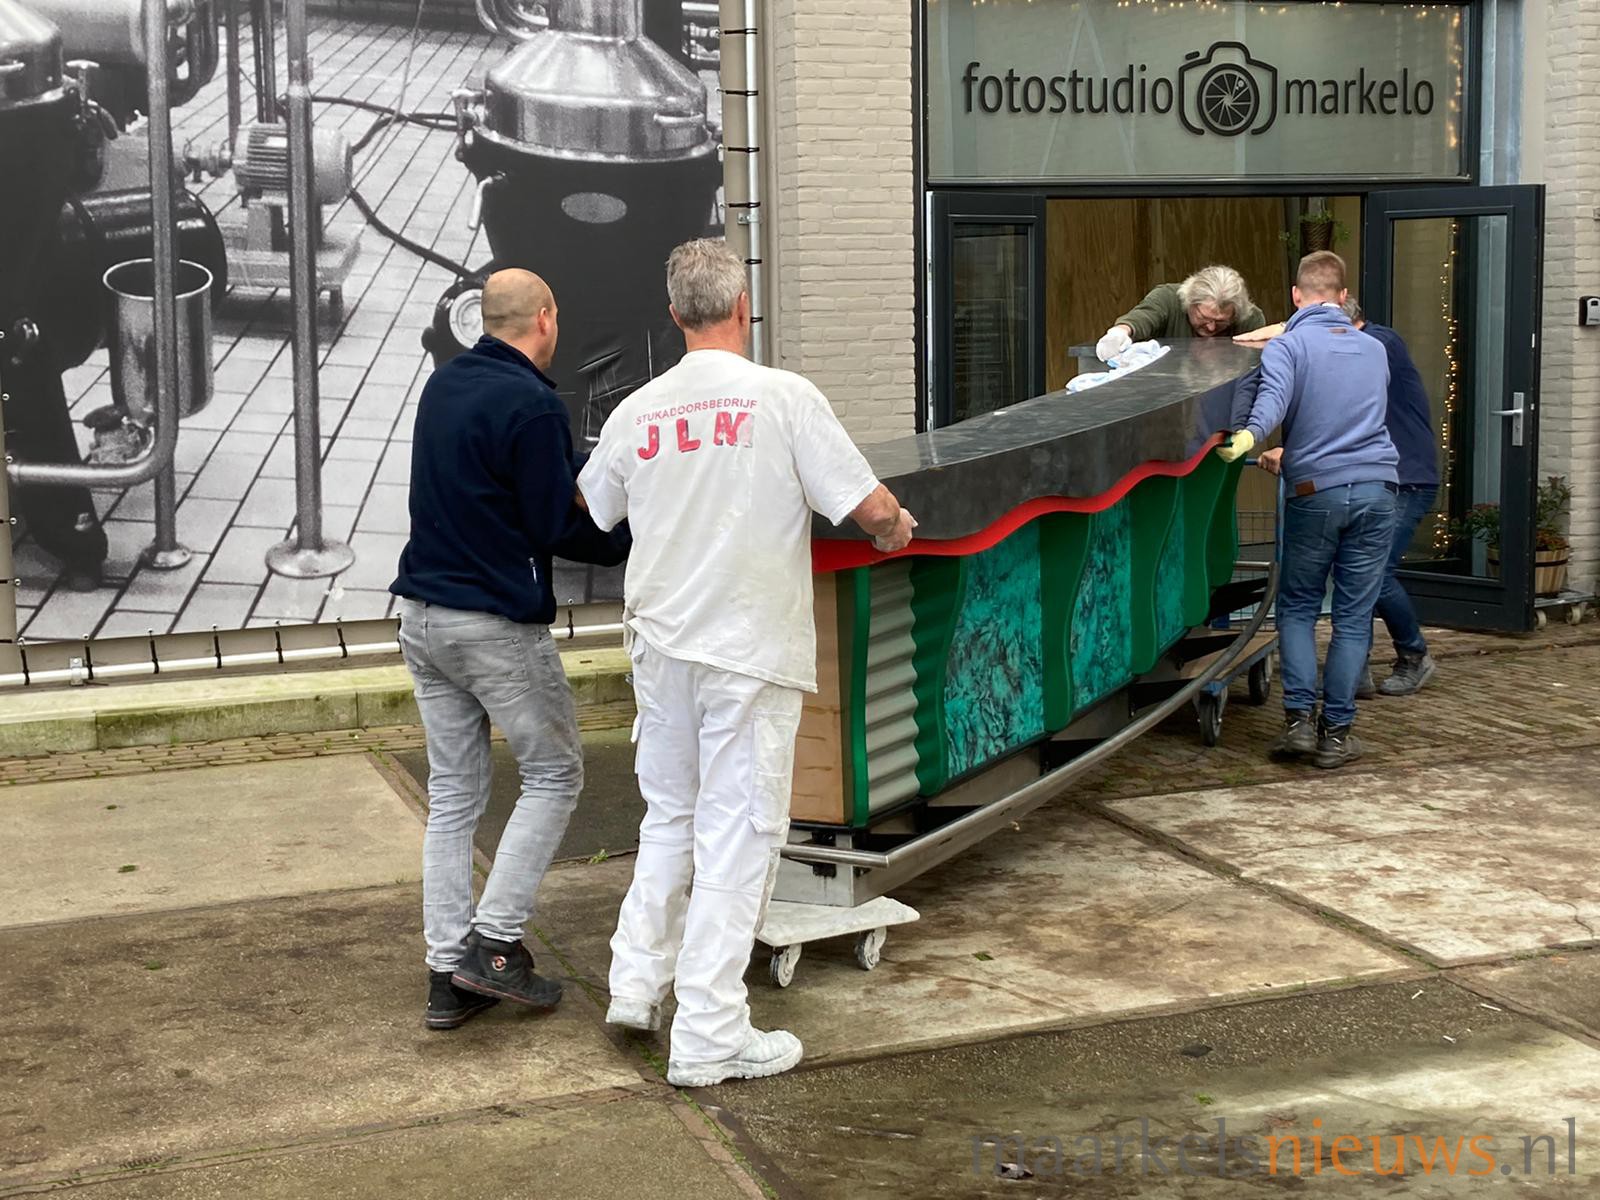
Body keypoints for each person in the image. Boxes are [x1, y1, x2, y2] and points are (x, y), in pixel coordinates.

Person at [576, 239, 916, 1088]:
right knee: (740, 834)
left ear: (674, 315)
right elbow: (868, 505)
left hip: (661, 644)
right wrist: (894, 528)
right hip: (748, 649)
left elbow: (594, 506)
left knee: (670, 817)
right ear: (743, 307)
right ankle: (709, 1034)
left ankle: (635, 983)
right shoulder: (784, 398)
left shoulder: (637, 411)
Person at [391, 268, 630, 1032]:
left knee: (454, 797)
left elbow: (485, 488)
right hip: (492, 626)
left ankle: (446, 976)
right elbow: (552, 525)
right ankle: (495, 947)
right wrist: (631, 533)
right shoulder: (533, 404)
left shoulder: (445, 384)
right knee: (555, 774)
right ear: (546, 318)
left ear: (486, 319)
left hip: (422, 619)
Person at [1218, 252, 1398, 769]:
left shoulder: (1289, 346)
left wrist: (1247, 437)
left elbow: (1273, 400)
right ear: (1343, 296)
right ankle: (1336, 736)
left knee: (1298, 607)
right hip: (1377, 488)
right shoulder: (1375, 349)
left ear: (1296, 296)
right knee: (1354, 616)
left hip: (1316, 491)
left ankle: (1298, 722)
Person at [1244, 299, 1440, 698]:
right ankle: (1353, 676)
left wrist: (1283, 331)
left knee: (1374, 577)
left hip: (1404, 479)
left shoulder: (1379, 343)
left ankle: (1414, 655)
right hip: (1371, 477)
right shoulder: (1351, 348)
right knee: (1356, 579)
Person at [1095, 265, 1267, 362]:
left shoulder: (1250, 319)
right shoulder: (1168, 298)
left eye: (1221, 322)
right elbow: (1145, 316)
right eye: (1203, 318)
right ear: (1189, 302)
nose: (1211, 327)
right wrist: (1121, 332)